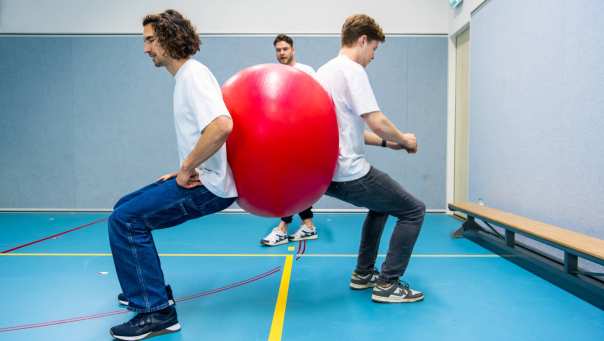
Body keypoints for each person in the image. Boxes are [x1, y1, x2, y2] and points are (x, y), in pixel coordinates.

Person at [108, 9, 237, 340]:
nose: (146, 48)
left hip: (208, 186)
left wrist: (187, 167)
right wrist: (183, 166)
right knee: (124, 206)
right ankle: (147, 288)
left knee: (126, 221)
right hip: (202, 177)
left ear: (168, 37)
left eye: (150, 40)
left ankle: (156, 311)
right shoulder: (186, 77)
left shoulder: (193, 75)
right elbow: (205, 134)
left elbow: (221, 126)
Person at [316, 14, 426, 303]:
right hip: (349, 171)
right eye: (374, 49)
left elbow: (346, 128)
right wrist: (404, 139)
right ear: (362, 40)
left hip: (328, 173)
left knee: (381, 207)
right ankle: (388, 284)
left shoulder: (323, 73)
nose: (373, 56)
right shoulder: (352, 70)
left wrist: (388, 144)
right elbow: (375, 120)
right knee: (413, 211)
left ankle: (363, 274)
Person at [260, 34, 318, 246]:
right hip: (283, 138)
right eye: (278, 50)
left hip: (304, 138)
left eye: (285, 49)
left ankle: (283, 228)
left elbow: (317, 101)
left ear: (293, 49)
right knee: (292, 182)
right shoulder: (275, 75)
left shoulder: (307, 72)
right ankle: (309, 226)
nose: (281, 53)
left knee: (290, 182)